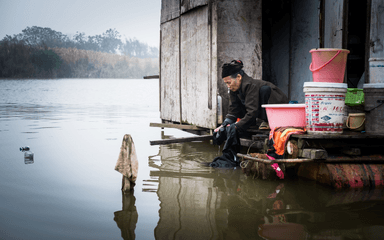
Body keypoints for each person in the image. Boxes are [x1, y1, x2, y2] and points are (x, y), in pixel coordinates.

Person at [215, 60, 288, 133]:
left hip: (280, 113)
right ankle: (252, 124)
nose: (228, 86)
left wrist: (236, 126)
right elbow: (234, 109)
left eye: (229, 82)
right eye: (226, 83)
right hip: (255, 112)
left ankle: (267, 121)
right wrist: (224, 125)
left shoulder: (251, 86)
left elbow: (252, 112)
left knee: (264, 90)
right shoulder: (234, 87)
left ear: (239, 77)